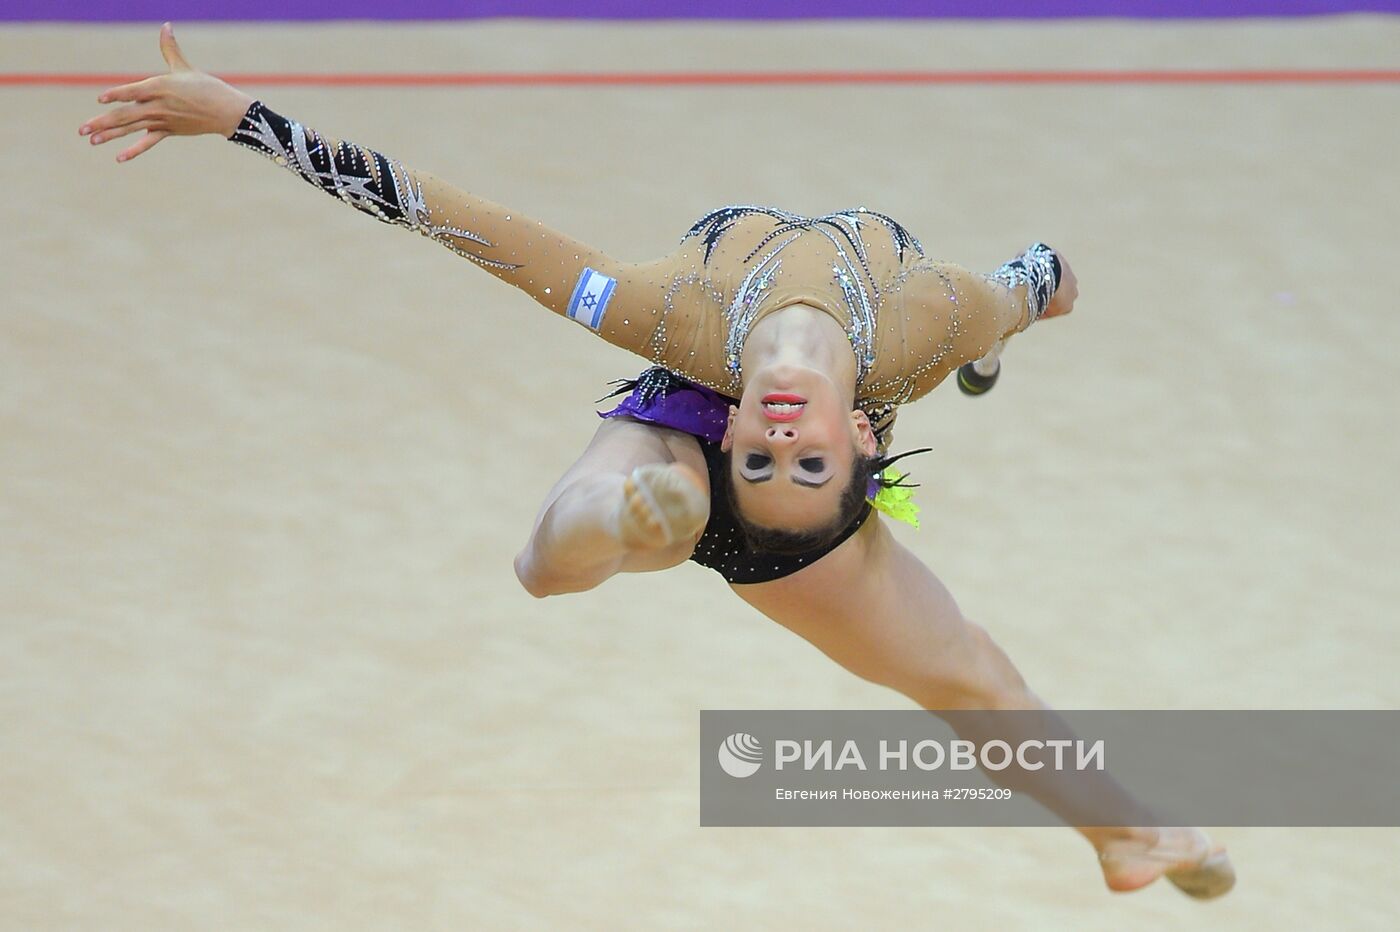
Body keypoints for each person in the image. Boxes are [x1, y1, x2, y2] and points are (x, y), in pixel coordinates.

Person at [79, 25, 1234, 899]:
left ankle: (1122, 833)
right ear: (861, 440)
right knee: (617, 539)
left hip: (686, 435)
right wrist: (1026, 300)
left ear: (743, 437)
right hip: (705, 430)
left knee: (957, 675)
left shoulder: (666, 320)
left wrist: (245, 120)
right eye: (801, 456)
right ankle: (640, 515)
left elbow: (450, 218)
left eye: (768, 457)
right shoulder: (925, 324)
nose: (780, 435)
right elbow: (1030, 288)